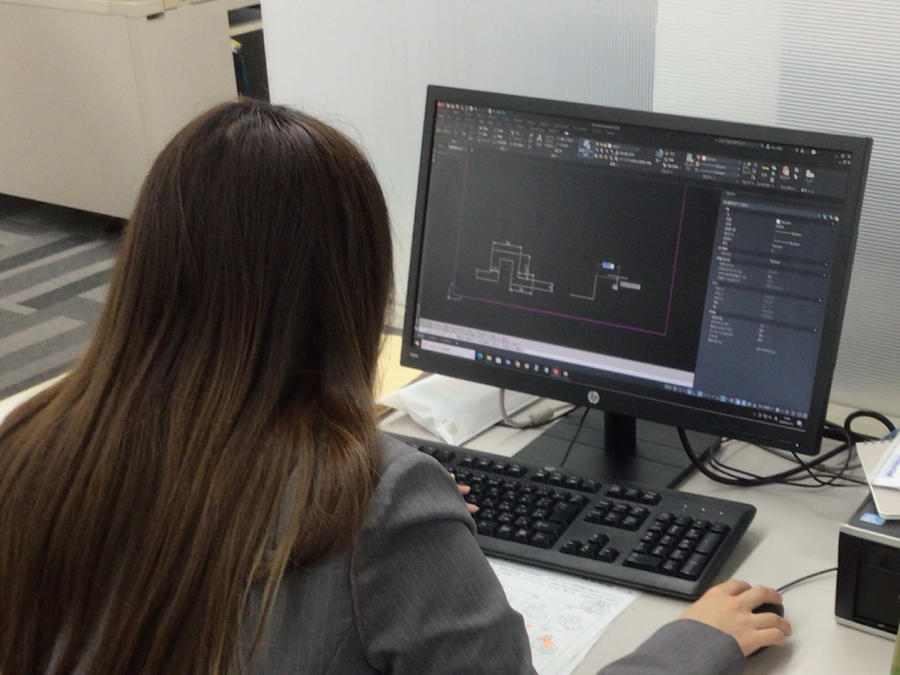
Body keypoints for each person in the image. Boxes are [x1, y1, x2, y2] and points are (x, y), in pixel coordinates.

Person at [0, 99, 790, 674]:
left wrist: (420, 530)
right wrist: (695, 641)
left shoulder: (26, 445)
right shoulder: (376, 499)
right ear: (349, 285)